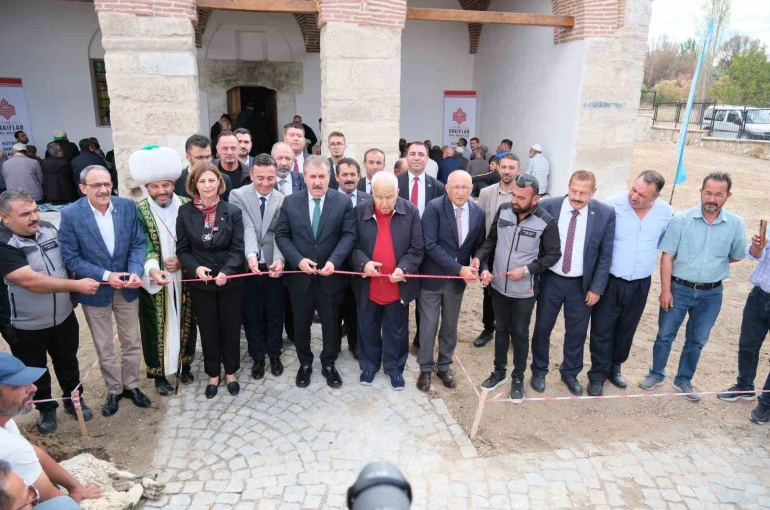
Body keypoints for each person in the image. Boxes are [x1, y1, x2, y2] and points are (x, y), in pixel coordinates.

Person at [640, 172, 746, 401]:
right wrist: (666, 290)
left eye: (718, 194)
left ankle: (683, 379)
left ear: (728, 196)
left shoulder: (735, 224)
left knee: (697, 340)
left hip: (712, 294)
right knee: (665, 334)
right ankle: (656, 373)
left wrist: (713, 265)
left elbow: (736, 255)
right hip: (679, 289)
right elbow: (667, 256)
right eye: (708, 192)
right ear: (700, 192)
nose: (712, 198)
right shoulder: (681, 220)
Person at [0, 190, 99, 433]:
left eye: (35, 210)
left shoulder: (49, 229)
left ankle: (73, 399)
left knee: (68, 361)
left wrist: (72, 292)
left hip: (63, 316)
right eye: (25, 214)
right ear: (4, 217)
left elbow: (66, 262)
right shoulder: (4, 244)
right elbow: (30, 281)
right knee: (35, 367)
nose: (34, 217)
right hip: (24, 325)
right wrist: (76, 286)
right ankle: (46, 408)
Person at [58, 165, 151, 417]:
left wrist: (134, 271)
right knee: (103, 344)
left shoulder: (126, 207)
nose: (103, 189)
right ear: (83, 188)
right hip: (95, 290)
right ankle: (113, 389)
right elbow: (72, 258)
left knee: (131, 340)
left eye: (107, 184)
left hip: (128, 287)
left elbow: (137, 243)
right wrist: (107, 275)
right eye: (96, 185)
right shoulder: (70, 214)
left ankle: (131, 385)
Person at [530, 170, 615, 396]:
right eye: (573, 191)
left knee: (577, 332)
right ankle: (539, 370)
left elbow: (605, 256)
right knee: (542, 328)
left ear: (593, 192)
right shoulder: (549, 207)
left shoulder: (605, 214)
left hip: (581, 285)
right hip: (551, 279)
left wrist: (597, 288)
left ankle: (570, 372)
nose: (577, 197)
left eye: (583, 193)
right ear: (568, 187)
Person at [476, 175, 561, 401]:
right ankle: (499, 372)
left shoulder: (547, 222)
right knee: (501, 330)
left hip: (524, 292)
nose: (515, 200)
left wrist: (526, 270)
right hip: (498, 287)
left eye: (521, 197)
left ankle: (518, 378)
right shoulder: (503, 210)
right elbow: (490, 242)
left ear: (535, 199)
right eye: (514, 194)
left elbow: (553, 255)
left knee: (520, 335)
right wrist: (481, 263)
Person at [587, 171, 672, 396]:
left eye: (642, 195)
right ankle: (597, 374)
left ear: (656, 197)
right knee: (601, 329)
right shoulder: (611, 206)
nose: (634, 196)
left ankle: (615, 367)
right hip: (610, 281)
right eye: (633, 189)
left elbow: (665, 246)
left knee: (626, 329)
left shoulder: (666, 214)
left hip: (640, 284)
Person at [275, 156, 356, 389]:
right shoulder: (291, 202)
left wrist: (334, 261)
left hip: (331, 278)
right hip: (300, 279)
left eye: (322, 177)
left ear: (330, 177)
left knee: (331, 325)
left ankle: (329, 363)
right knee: (301, 324)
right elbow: (282, 235)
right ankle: (305, 363)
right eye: (313, 177)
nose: (318, 182)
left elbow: (349, 235)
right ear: (304, 177)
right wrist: (297, 260)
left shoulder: (342, 202)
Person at [129, 146, 197, 396]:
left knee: (187, 321)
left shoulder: (188, 205)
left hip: (185, 274)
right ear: (147, 187)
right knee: (155, 325)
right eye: (155, 187)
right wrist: (153, 268)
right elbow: (141, 242)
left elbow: (196, 240)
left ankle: (184, 365)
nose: (161, 191)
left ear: (174, 183)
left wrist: (183, 260)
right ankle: (158, 374)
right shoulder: (140, 211)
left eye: (166, 185)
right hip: (155, 277)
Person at [176, 161, 245, 399]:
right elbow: (182, 250)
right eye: (202, 181)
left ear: (219, 183)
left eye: (211, 180)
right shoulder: (185, 212)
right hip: (201, 284)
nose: (207, 185)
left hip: (230, 281)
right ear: (194, 184)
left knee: (230, 327)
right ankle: (213, 374)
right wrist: (196, 269)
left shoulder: (232, 211)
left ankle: (231, 372)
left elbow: (238, 248)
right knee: (208, 329)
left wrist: (227, 270)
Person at [351, 172, 424, 389]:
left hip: (397, 285)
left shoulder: (410, 211)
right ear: (371, 193)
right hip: (368, 284)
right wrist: (364, 264)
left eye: (389, 197)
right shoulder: (359, 211)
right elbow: (351, 245)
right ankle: (369, 365)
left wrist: (404, 268)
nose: (384, 203)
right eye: (379, 197)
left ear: (398, 193)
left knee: (397, 329)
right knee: (367, 327)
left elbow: (417, 248)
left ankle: (394, 368)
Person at [0, 354, 101, 506]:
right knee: (65, 505)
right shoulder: (8, 447)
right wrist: (75, 499)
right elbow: (54, 498)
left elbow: (31, 450)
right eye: (20, 385)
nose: (33, 388)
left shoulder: (5, 421)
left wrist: (75, 486)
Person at [417, 170, 486, 391]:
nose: (460, 191)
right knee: (428, 326)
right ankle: (425, 369)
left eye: (465, 187)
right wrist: (459, 269)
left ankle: (444, 366)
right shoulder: (434, 208)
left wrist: (478, 262)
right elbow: (430, 245)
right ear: (447, 188)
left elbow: (480, 244)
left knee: (450, 327)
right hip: (432, 278)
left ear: (471, 189)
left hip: (456, 283)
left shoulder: (478, 212)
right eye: (455, 187)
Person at [229, 154, 286, 381]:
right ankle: (257, 356)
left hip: (274, 266)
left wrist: (280, 259)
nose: (265, 183)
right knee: (252, 314)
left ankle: (274, 354)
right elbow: (247, 227)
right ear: (251, 174)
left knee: (274, 313)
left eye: (270, 178)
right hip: (249, 265)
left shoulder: (282, 199)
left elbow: (282, 233)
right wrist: (251, 254)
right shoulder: (237, 195)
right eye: (260, 177)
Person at [718, 222, 770, 423]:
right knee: (748, 345)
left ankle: (766, 403)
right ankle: (744, 386)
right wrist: (757, 246)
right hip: (759, 295)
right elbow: (756, 254)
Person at [472, 153, 522, 348]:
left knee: (513, 293)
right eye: (504, 167)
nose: (507, 171)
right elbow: (479, 225)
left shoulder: (522, 193)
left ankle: (510, 331)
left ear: (518, 170)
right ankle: (488, 328)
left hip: (516, 253)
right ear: (498, 168)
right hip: (491, 250)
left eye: (512, 168)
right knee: (489, 292)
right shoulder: (486, 194)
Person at [398, 141, 445, 348]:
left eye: (421, 154)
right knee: (399, 295)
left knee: (424, 298)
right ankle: (399, 338)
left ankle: (420, 338)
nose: (416, 157)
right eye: (412, 154)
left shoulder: (437, 187)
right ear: (406, 157)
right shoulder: (395, 183)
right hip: (400, 250)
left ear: (427, 159)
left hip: (427, 252)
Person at [336, 158, 371, 360]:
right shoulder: (329, 198)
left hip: (360, 265)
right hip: (336, 265)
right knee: (335, 308)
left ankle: (355, 344)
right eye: (344, 175)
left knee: (357, 308)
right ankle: (333, 346)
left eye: (353, 175)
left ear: (359, 176)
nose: (349, 179)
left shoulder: (369, 200)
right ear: (337, 177)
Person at [175, 134, 233, 201]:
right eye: (200, 157)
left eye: (208, 157)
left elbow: (229, 209)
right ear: (188, 157)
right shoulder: (177, 180)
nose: (205, 161)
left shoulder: (224, 179)